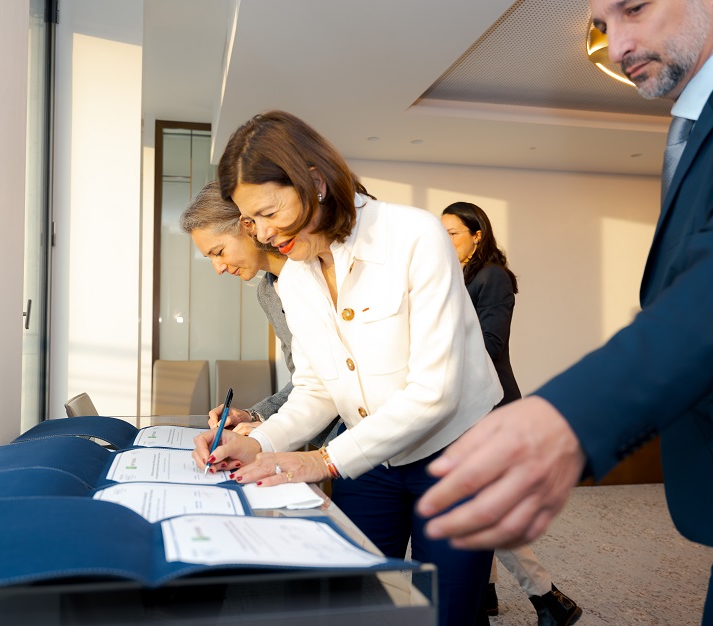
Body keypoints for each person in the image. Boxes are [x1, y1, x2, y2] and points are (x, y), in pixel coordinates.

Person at [418, 2, 713, 623]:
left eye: (633, 8)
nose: (614, 46)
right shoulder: (706, 114)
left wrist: (569, 419)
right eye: (604, 24)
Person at [192, 110, 502, 626]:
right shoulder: (295, 275)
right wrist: (260, 443)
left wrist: (320, 461)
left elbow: (435, 393)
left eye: (269, 213)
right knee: (358, 601)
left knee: (446, 612)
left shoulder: (414, 236)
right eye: (251, 222)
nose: (264, 234)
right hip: (369, 458)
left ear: (314, 182)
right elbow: (316, 387)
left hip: (456, 452)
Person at [442, 201, 582, 626]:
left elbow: (491, 342)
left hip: (489, 407)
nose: (444, 240)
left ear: (477, 235)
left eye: (452, 233)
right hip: (462, 406)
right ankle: (484, 592)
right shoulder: (458, 276)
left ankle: (549, 598)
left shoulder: (493, 276)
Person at [179, 181, 341, 444]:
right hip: (325, 440)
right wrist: (252, 415)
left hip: (362, 436)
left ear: (247, 225)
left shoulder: (320, 269)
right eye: (210, 259)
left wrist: (267, 431)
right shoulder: (267, 293)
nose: (218, 268)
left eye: (218, 252)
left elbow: (337, 374)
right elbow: (305, 378)